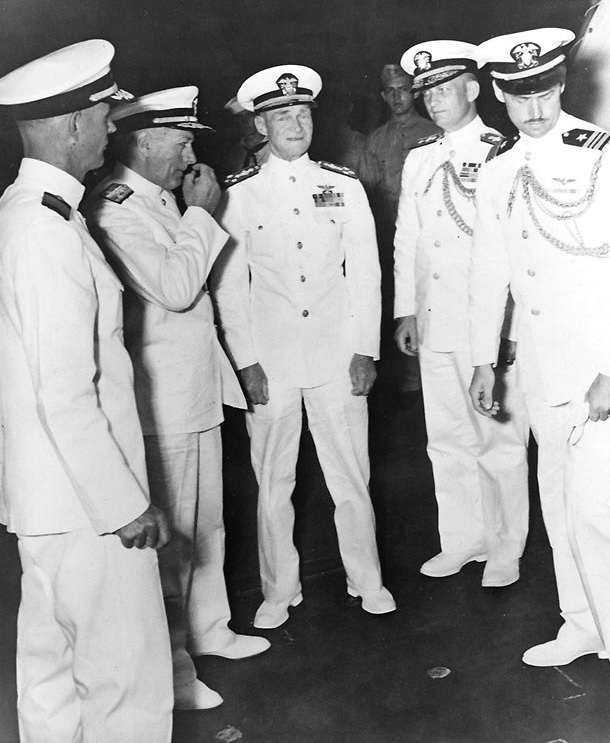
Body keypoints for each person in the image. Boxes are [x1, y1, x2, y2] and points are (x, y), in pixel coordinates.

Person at [0, 40, 173, 742]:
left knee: (49, 682)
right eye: (104, 113)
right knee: (126, 689)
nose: (111, 126)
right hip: (88, 507)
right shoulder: (45, 229)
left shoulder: (27, 212)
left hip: (45, 502)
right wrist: (123, 503)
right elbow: (65, 392)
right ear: (71, 124)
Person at [85, 86, 270, 710]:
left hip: (195, 388)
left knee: (207, 524)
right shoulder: (114, 209)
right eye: (182, 141)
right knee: (172, 542)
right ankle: (174, 670)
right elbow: (174, 288)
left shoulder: (160, 199)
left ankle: (212, 630)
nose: (191, 153)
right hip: (159, 399)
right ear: (142, 143)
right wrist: (201, 214)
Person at [213, 64, 396, 630]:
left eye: (302, 113)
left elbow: (367, 273)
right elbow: (229, 286)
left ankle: (367, 579)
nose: (294, 123)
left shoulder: (343, 185)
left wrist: (365, 349)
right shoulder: (236, 194)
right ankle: (278, 590)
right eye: (281, 116)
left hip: (337, 354)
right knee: (272, 481)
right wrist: (245, 362)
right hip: (271, 360)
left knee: (350, 475)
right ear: (261, 126)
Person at [470, 27, 610, 666]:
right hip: (539, 366)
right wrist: (482, 358)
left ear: (560, 84)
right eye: (518, 95)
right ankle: (580, 625)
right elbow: (488, 269)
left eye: (543, 91)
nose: (533, 108)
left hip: (593, 366)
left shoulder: (599, 153)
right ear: (499, 94)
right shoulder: (497, 172)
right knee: (557, 506)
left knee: (600, 509)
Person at [394, 41, 529, 587]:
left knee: (498, 439)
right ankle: (463, 539)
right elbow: (409, 239)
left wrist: (509, 329)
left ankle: (505, 548)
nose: (433, 101)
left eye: (444, 89)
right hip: (434, 320)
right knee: (446, 437)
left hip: (486, 325)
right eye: (426, 92)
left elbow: (518, 248)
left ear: (473, 89)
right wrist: (406, 310)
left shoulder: (504, 150)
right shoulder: (420, 156)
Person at [359, 63, 442, 392]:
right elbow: (366, 191)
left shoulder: (433, 131)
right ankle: (403, 376)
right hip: (387, 231)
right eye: (390, 91)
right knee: (396, 302)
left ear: (415, 92)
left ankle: (426, 373)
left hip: (425, 232)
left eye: (403, 89)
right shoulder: (376, 139)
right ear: (383, 95)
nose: (397, 97)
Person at [221, 95, 270, 176]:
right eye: (239, 117)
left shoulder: (275, 148)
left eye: (249, 116)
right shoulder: (233, 153)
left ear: (258, 118)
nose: (244, 121)